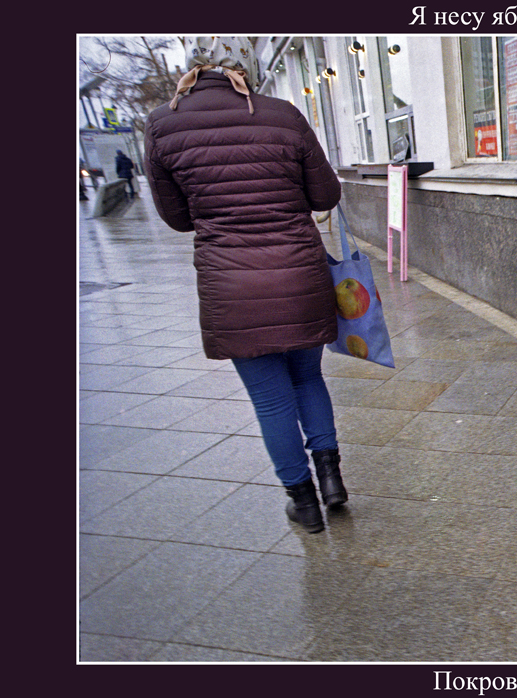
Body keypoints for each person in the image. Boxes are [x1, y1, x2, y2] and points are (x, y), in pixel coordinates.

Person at [143, 36, 346, 534]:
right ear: (247, 64)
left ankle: (304, 505)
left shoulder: (162, 124)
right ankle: (332, 481)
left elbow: (177, 218)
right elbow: (325, 194)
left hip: (230, 285)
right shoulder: (282, 114)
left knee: (271, 400)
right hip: (299, 274)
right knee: (309, 379)